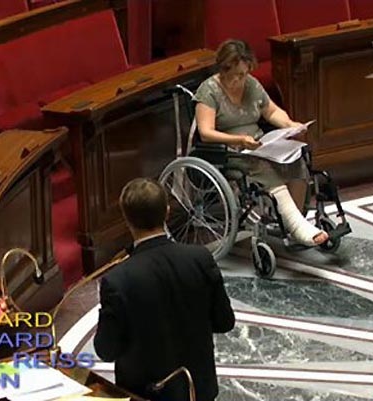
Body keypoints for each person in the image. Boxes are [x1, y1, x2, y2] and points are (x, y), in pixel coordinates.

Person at [94, 178, 235, 401]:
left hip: (147, 394)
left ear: (126, 219)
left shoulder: (118, 280)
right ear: (167, 212)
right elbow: (225, 322)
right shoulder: (200, 258)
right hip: (199, 391)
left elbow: (106, 350)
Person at [194, 39, 329, 246]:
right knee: (264, 167)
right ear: (224, 69)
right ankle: (297, 226)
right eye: (237, 74)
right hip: (230, 151)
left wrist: (290, 125)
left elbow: (272, 111)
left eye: (245, 73)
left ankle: (294, 221)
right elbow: (206, 132)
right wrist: (239, 139)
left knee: (294, 158)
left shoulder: (251, 84)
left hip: (258, 144)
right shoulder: (209, 91)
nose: (242, 78)